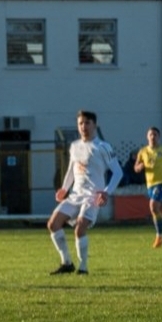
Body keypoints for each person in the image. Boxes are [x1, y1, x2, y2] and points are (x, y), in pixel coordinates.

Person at [47, 110, 123, 275]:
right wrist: (64, 189)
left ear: (95, 125)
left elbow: (118, 172)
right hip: (75, 195)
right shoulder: (75, 146)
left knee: (80, 228)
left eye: (87, 123)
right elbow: (71, 170)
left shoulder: (102, 147)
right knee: (53, 224)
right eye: (80, 123)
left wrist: (106, 192)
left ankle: (83, 267)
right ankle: (67, 263)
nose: (83, 126)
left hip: (92, 196)